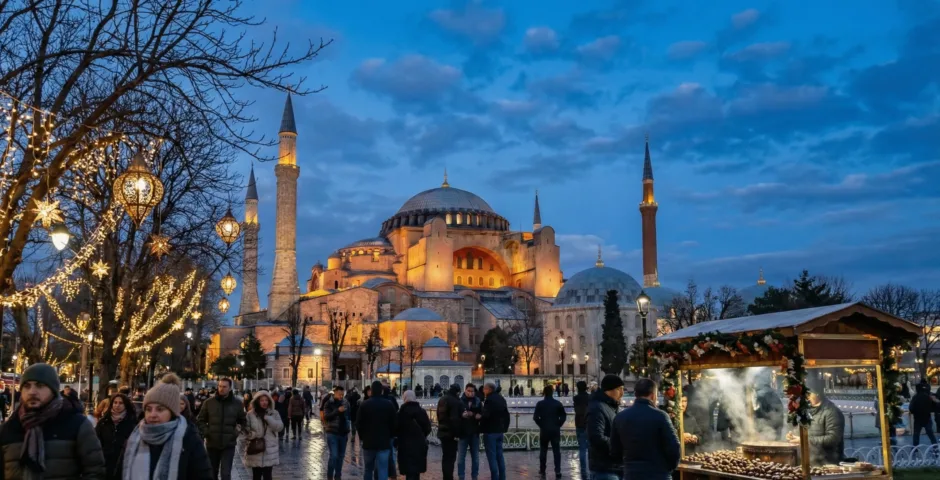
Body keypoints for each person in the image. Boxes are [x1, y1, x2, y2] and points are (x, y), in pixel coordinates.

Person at [0, 363, 105, 479]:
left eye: (40, 386)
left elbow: (95, 471)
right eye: (27, 386)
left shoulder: (77, 425)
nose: (32, 392)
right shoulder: (9, 428)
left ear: (53, 390)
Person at [116, 373, 213, 480]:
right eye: (148, 409)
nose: (153, 414)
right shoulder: (134, 438)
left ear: (172, 412)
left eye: (160, 409)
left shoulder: (188, 438)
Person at [610, 378, 680, 480]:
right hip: (659, 474)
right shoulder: (660, 416)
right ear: (653, 395)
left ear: (636, 394)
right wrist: (668, 469)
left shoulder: (620, 417)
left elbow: (615, 450)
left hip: (632, 474)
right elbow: (674, 447)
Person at [196, 377, 246, 480]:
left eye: (224, 387)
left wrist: (236, 432)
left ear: (230, 388)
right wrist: (207, 432)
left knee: (225, 474)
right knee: (212, 473)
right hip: (212, 443)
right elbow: (200, 420)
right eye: (219, 386)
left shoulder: (237, 403)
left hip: (229, 444)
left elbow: (243, 421)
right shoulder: (209, 402)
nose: (221, 389)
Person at [787, 378, 844, 465]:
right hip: (808, 460)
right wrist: (793, 435)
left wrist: (805, 440)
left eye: (809, 394)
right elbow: (802, 430)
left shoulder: (832, 412)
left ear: (817, 394)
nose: (807, 397)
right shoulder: (806, 410)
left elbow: (833, 439)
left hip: (827, 462)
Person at [357, 380, 398, 480]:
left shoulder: (364, 404)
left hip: (368, 442)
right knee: (383, 469)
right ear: (381, 391)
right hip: (384, 442)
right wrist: (391, 436)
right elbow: (394, 423)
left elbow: (358, 423)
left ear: (371, 391)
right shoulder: (388, 404)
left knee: (368, 469)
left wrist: (362, 437)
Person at [587, 374, 624, 480]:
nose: (622, 393)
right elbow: (596, 437)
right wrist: (620, 445)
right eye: (619, 389)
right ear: (609, 390)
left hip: (615, 467)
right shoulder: (597, 408)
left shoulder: (612, 406)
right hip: (604, 469)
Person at [242, 390, 284, 480]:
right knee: (256, 476)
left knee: (268, 476)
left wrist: (269, 419)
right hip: (255, 449)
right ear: (257, 401)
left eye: (266, 400)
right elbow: (245, 431)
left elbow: (280, 427)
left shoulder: (274, 413)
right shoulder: (250, 414)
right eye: (262, 400)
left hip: (269, 449)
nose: (264, 402)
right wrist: (253, 434)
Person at [96, 393, 138, 478]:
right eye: (115, 402)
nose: (117, 405)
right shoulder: (104, 422)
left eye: (120, 403)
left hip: (123, 465)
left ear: (125, 405)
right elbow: (96, 441)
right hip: (104, 464)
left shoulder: (132, 423)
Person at [397, 390, 432, 480]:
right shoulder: (421, 412)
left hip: (405, 446)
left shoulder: (401, 413)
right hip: (419, 445)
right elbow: (428, 428)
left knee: (409, 472)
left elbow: (396, 429)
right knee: (416, 471)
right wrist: (421, 435)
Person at [534, 385, 567, 479]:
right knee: (556, 451)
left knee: (543, 450)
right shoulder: (558, 403)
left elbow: (535, 417)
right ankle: (558, 470)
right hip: (555, 430)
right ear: (552, 392)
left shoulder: (540, 404)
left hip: (544, 430)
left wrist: (541, 425)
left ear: (544, 392)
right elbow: (563, 416)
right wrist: (558, 424)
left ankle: (542, 470)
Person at [479, 382, 510, 480]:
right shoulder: (501, 398)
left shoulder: (489, 400)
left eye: (484, 389)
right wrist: (505, 428)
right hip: (500, 431)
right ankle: (502, 477)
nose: (483, 391)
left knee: (492, 457)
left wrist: (480, 425)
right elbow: (506, 415)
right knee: (500, 456)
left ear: (489, 389)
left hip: (490, 431)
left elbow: (486, 415)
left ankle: (495, 478)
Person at [323, 386, 351, 480]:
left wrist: (348, 426)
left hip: (343, 433)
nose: (341, 396)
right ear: (334, 393)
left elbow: (349, 415)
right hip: (332, 432)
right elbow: (326, 417)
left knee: (341, 456)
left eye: (342, 394)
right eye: (339, 394)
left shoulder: (346, 403)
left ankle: (338, 476)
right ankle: (330, 476)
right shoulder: (328, 403)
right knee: (334, 456)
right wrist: (337, 411)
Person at [457, 383, 482, 480]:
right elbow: (456, 415)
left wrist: (476, 415)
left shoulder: (478, 401)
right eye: (469, 391)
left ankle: (474, 476)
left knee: (475, 458)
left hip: (474, 433)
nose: (470, 393)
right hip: (463, 433)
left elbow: (481, 414)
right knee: (461, 458)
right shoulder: (460, 401)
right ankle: (461, 476)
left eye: (472, 391)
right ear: (465, 390)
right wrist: (462, 415)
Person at [909, 381, 938, 446]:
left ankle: (915, 449)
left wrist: (915, 412)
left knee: (916, 434)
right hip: (927, 418)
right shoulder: (928, 397)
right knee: (930, 433)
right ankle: (935, 447)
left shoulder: (915, 397)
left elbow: (911, 408)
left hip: (917, 419)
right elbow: (934, 406)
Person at [572, 380, 590, 480]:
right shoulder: (590, 397)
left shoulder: (576, 398)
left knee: (582, 449)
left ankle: (583, 470)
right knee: (591, 447)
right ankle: (591, 467)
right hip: (589, 424)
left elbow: (577, 410)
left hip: (579, 424)